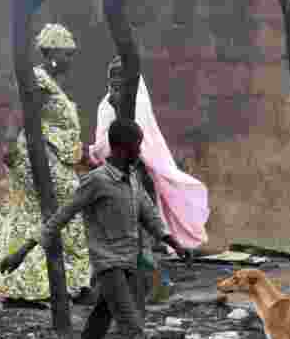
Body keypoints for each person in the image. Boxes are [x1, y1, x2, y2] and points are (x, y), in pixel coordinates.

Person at [3, 119, 180, 339]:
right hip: (109, 267)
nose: (140, 150)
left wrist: (173, 240)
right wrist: (23, 250)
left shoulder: (132, 177)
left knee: (93, 336)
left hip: (130, 266)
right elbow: (61, 216)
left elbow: (148, 212)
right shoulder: (96, 181)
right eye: (137, 145)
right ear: (123, 148)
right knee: (132, 328)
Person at [0, 23, 91, 307]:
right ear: (51, 53)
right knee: (62, 209)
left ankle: (59, 284)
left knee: (41, 215)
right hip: (36, 156)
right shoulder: (38, 78)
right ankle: (50, 285)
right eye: (67, 54)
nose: (70, 60)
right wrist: (10, 142)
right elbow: (21, 112)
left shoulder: (49, 81)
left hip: (52, 155)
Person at [88, 56, 210, 307]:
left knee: (136, 234)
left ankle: (155, 285)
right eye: (112, 78)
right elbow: (103, 144)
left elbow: (137, 145)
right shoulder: (106, 105)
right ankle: (133, 287)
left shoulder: (135, 104)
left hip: (135, 175)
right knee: (120, 235)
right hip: (112, 176)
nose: (115, 84)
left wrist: (101, 152)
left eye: (120, 79)